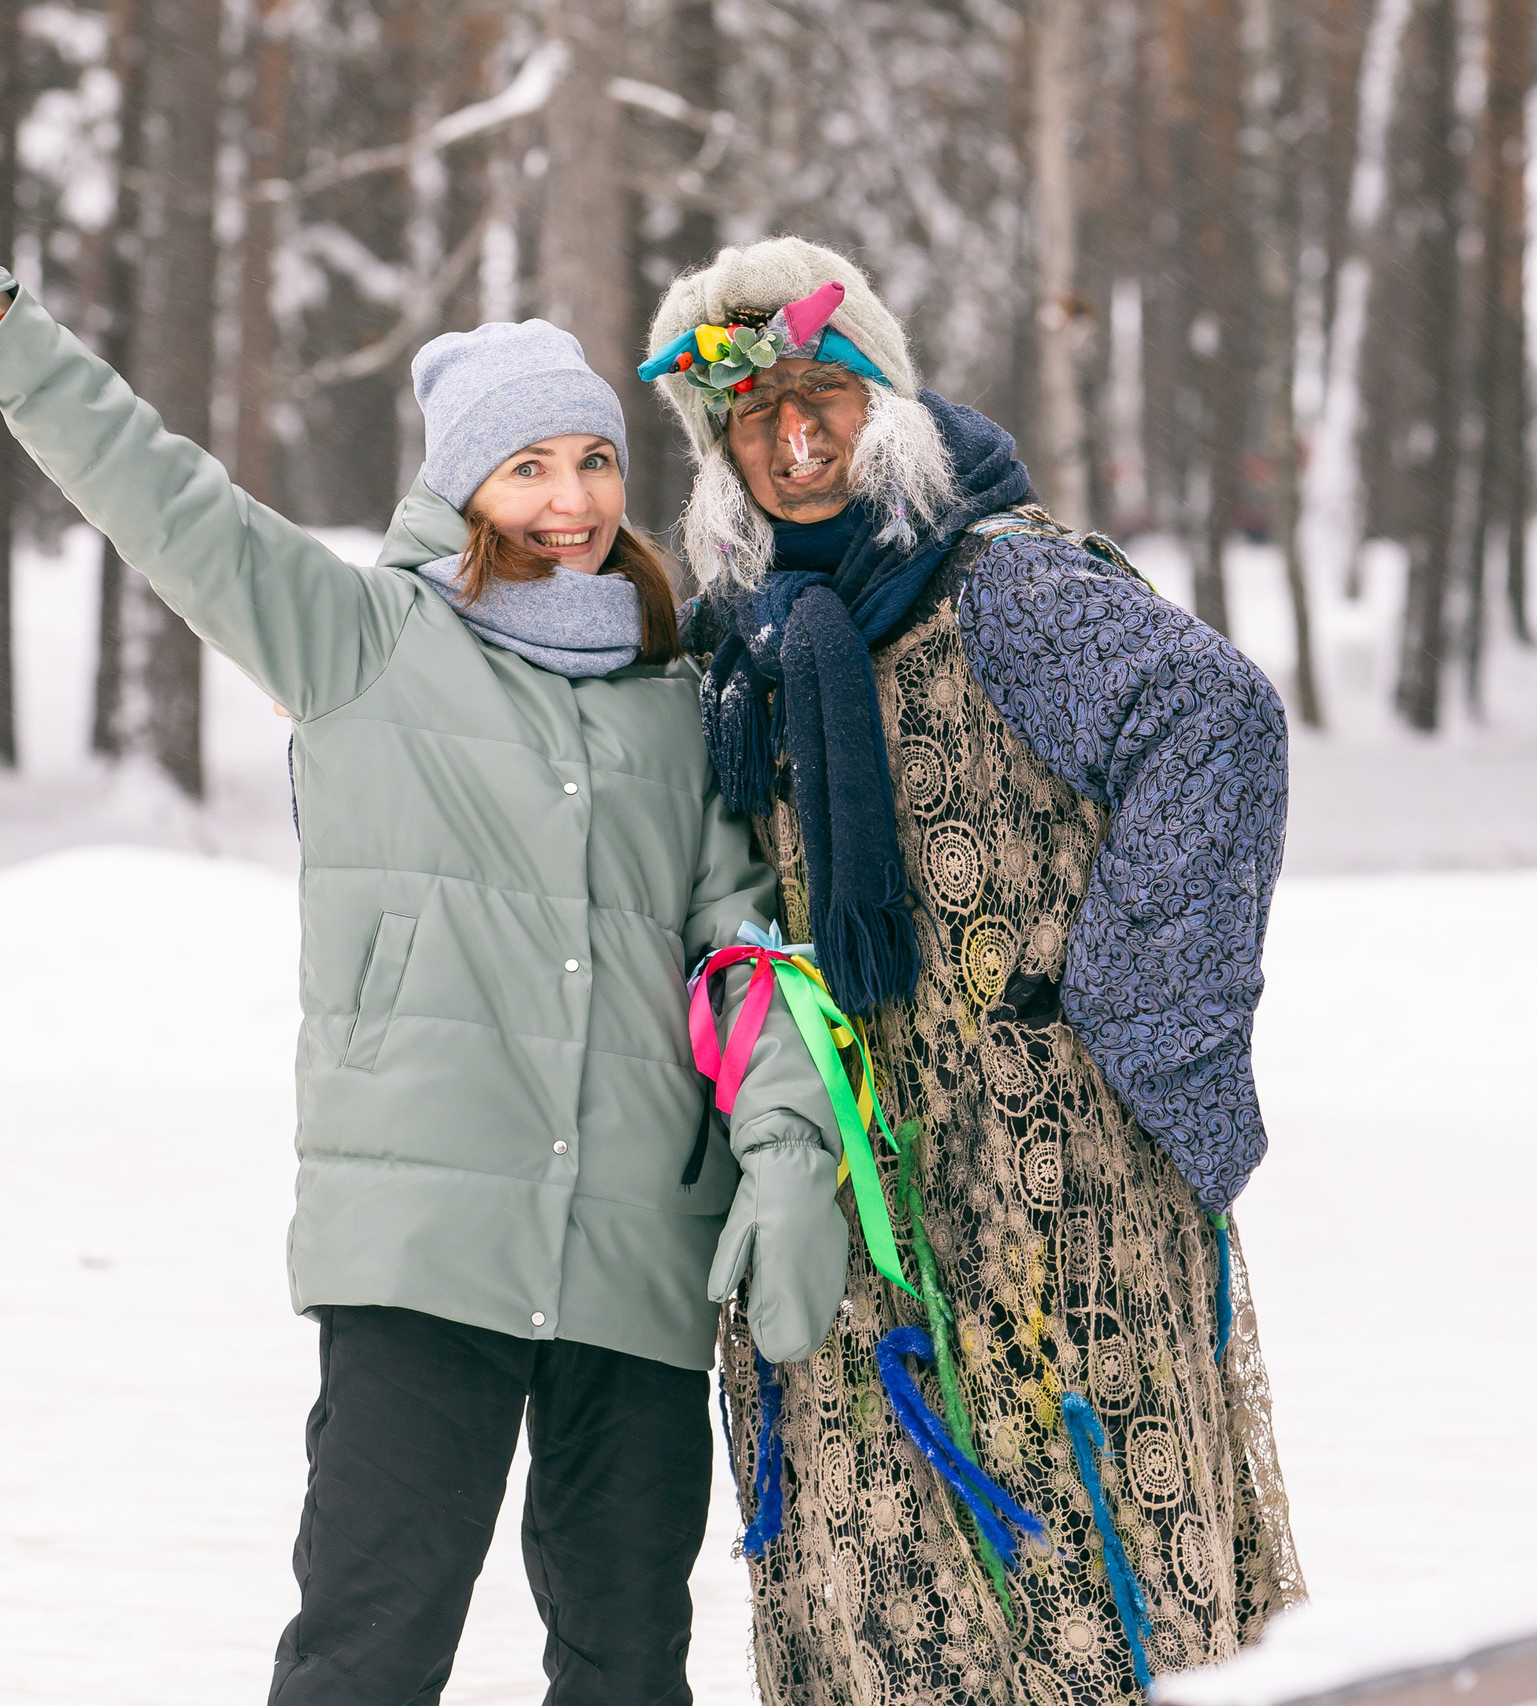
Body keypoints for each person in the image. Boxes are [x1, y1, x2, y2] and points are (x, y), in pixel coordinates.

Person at [0, 118, 851, 1706]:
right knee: (369, 1651)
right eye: (528, 466)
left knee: (632, 1668)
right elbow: (165, 497)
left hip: (640, 1249)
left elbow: (742, 947)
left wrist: (783, 1145)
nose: (570, 499)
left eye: (590, 461)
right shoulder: (364, 642)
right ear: (463, 486)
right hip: (426, 1247)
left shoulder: (670, 688)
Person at [641, 236, 1306, 1701]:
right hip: (855, 1186)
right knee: (890, 1577)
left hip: (1053, 1191)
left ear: (883, 400)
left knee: (1086, 1542)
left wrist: (1134, 1013)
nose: (794, 442)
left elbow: (1217, 723)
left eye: (821, 399)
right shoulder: (737, 649)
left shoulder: (1004, 584)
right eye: (753, 417)